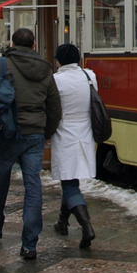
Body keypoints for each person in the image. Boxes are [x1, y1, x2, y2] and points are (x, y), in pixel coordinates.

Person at [0, 28, 61, 261]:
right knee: (33, 186)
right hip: (34, 135)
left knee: (0, 181)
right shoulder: (46, 69)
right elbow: (55, 106)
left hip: (6, 132)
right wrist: (48, 132)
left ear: (12, 43)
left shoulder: (1, 65)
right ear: (34, 45)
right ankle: (30, 244)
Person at [50, 43, 97, 248]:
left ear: (59, 60)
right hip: (85, 133)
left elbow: (51, 109)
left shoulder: (56, 81)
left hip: (64, 134)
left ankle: (86, 226)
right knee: (71, 179)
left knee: (68, 182)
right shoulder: (89, 77)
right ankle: (62, 222)